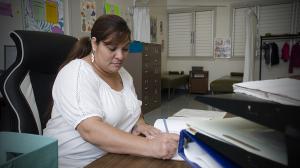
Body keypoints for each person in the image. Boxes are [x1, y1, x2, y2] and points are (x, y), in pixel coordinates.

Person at [43, 14, 179, 168]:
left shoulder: (124, 75)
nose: (120, 56)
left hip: (113, 156)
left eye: (125, 49)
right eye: (112, 48)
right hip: (76, 162)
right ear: (95, 44)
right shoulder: (76, 74)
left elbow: (133, 109)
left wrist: (139, 124)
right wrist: (151, 147)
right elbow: (90, 130)